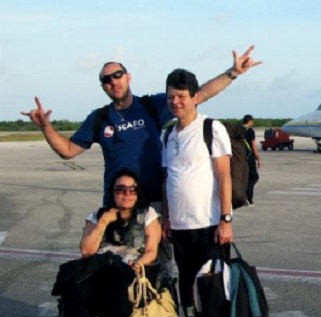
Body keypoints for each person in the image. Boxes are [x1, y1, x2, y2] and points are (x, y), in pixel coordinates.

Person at [21, 46, 261, 206]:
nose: (113, 81)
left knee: (159, 273)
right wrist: (46, 127)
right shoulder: (99, 118)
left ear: (128, 77)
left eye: (117, 75)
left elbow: (200, 94)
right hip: (118, 205)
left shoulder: (151, 105)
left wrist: (232, 73)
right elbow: (68, 150)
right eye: (106, 80)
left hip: (156, 203)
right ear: (103, 87)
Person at [160, 68, 238, 317]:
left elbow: (224, 176)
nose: (175, 102)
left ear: (195, 96)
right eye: (170, 97)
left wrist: (226, 219)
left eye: (181, 96)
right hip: (179, 229)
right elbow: (168, 179)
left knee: (215, 295)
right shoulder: (167, 134)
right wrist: (166, 218)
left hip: (209, 226)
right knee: (189, 296)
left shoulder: (210, 128)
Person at [53, 169, 162, 317]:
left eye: (132, 190)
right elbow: (86, 251)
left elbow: (151, 251)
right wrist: (103, 223)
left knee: (120, 290)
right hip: (100, 268)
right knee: (75, 286)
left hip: (130, 269)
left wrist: (137, 264)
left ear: (138, 193)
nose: (127, 194)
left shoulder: (147, 215)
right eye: (121, 189)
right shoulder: (98, 215)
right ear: (112, 192)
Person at [242, 114, 261, 206]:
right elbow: (253, 145)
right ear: (249, 121)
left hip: (240, 157)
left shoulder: (239, 130)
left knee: (245, 177)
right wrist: (258, 158)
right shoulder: (250, 131)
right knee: (254, 177)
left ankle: (243, 198)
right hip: (249, 157)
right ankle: (248, 198)